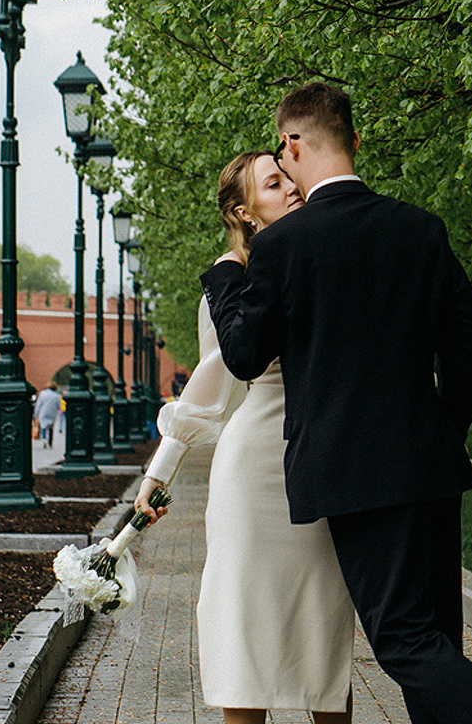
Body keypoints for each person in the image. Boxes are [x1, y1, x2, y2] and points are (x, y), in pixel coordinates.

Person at [197, 82, 472, 724]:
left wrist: (228, 277)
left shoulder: (281, 249)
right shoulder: (420, 228)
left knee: (405, 642)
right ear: (356, 139)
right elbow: (470, 341)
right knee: (436, 644)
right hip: (430, 467)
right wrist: (440, 427)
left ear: (292, 144)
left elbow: (242, 356)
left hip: (354, 475)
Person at [137, 152, 354, 724]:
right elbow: (214, 383)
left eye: (289, 176)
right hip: (252, 465)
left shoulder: (325, 248)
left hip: (318, 460)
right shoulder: (229, 277)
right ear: (243, 210)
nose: (292, 187)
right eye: (273, 182)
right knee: (242, 632)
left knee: (323, 634)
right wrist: (160, 470)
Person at [35, 382, 62, 449]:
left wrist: (36, 414)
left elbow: (39, 404)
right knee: (51, 427)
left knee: (43, 426)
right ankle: (50, 441)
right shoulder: (56, 395)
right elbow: (59, 405)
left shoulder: (43, 393)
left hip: (43, 411)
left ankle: (44, 439)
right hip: (52, 412)